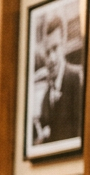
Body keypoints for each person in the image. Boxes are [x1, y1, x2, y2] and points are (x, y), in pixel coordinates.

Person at [34, 16, 84, 147]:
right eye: (47, 52)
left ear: (63, 44)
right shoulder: (46, 97)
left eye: (55, 48)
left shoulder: (77, 78)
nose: (51, 58)